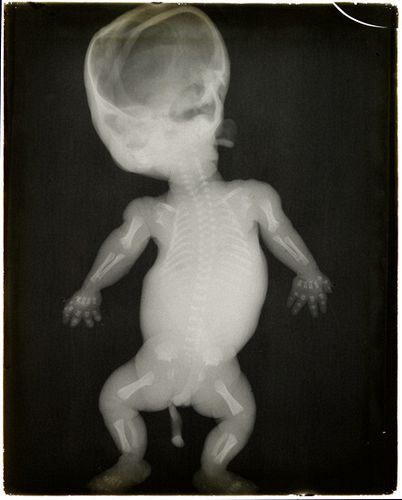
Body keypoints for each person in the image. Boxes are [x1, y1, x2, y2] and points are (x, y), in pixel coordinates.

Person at [63, 4, 332, 494]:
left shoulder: (251, 197)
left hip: (216, 365)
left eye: (189, 119)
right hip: (162, 359)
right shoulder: (152, 211)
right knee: (116, 398)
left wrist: (308, 269)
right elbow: (122, 248)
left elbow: (281, 233)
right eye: (169, 128)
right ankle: (131, 459)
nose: (184, 140)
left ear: (222, 136)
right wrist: (90, 287)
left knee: (240, 413)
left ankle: (213, 470)